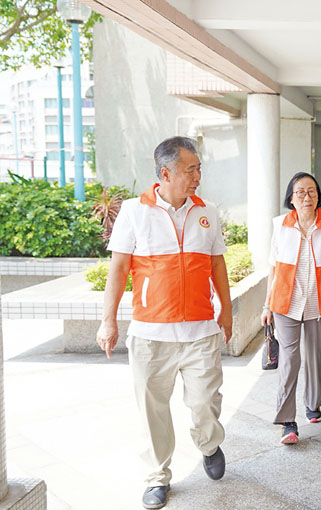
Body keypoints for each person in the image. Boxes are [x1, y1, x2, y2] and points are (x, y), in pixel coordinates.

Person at [96, 136, 232, 510]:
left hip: (200, 330)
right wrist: (108, 321)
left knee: (205, 400)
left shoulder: (208, 211)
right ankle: (157, 476)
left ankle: (208, 443)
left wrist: (228, 309)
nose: (197, 177)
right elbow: (119, 269)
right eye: (191, 169)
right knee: (152, 407)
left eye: (199, 169)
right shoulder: (134, 211)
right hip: (150, 333)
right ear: (166, 172)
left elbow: (217, 263)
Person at [261, 172, 321, 445]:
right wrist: (267, 305)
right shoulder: (280, 226)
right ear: (291, 198)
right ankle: (287, 421)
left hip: (320, 302)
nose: (307, 197)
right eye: (300, 192)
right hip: (286, 302)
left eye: (312, 191)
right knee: (289, 359)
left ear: (318, 195)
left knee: (316, 356)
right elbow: (273, 268)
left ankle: (313, 403)